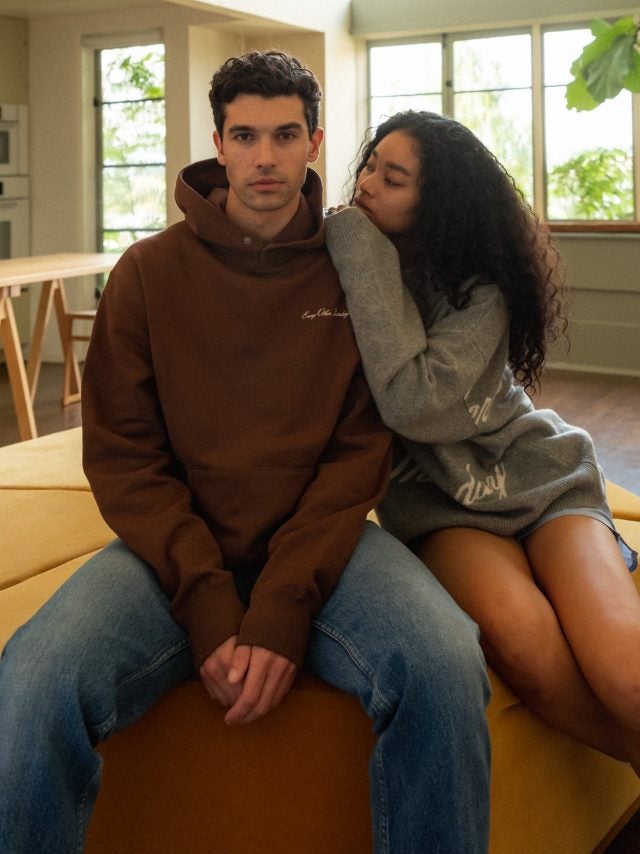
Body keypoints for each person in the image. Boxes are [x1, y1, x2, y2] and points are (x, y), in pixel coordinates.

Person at [0, 57, 491, 853]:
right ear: (219, 144)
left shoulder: (358, 273)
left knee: (445, 662)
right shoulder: (146, 273)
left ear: (314, 144)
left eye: (285, 135)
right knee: (32, 672)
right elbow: (125, 458)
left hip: (324, 547)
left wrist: (283, 605)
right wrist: (207, 601)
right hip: (172, 552)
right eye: (246, 136)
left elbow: (357, 456)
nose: (266, 157)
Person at [324, 109, 640, 773]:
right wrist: (358, 243)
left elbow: (415, 401)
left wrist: (353, 237)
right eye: (370, 166)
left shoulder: (479, 289)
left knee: (627, 675)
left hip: (541, 478)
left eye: (394, 178)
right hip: (440, 506)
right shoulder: (348, 261)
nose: (367, 184)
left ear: (436, 202)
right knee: (522, 645)